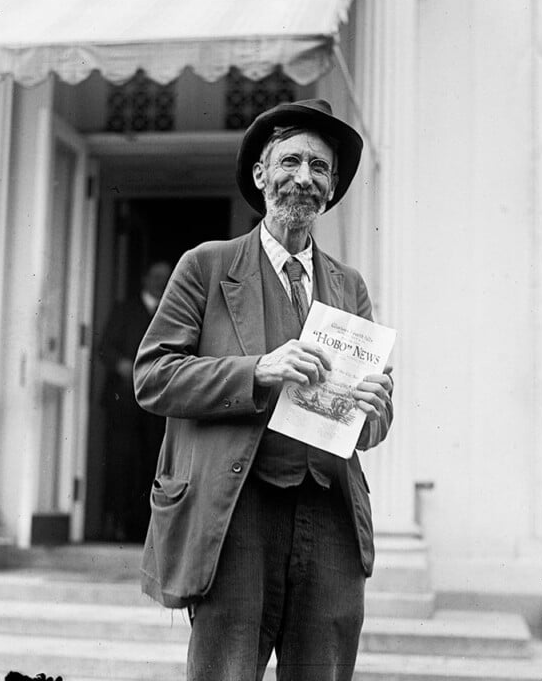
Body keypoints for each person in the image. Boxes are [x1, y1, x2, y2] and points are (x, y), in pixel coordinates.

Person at [133, 99, 394, 680]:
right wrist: (256, 370)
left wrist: (378, 410)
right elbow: (152, 377)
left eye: (321, 169)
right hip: (236, 515)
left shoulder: (349, 287)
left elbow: (370, 422)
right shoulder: (206, 266)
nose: (305, 178)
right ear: (260, 174)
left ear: (330, 189)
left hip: (328, 515)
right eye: (292, 161)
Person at [98, 260, 172, 542]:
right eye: (155, 276)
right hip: (123, 403)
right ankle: (115, 524)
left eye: (166, 278)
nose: (160, 283)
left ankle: (142, 529)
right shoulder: (125, 309)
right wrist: (123, 366)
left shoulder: (170, 313)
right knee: (120, 463)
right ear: (144, 278)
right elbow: (104, 348)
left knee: (150, 464)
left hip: (154, 405)